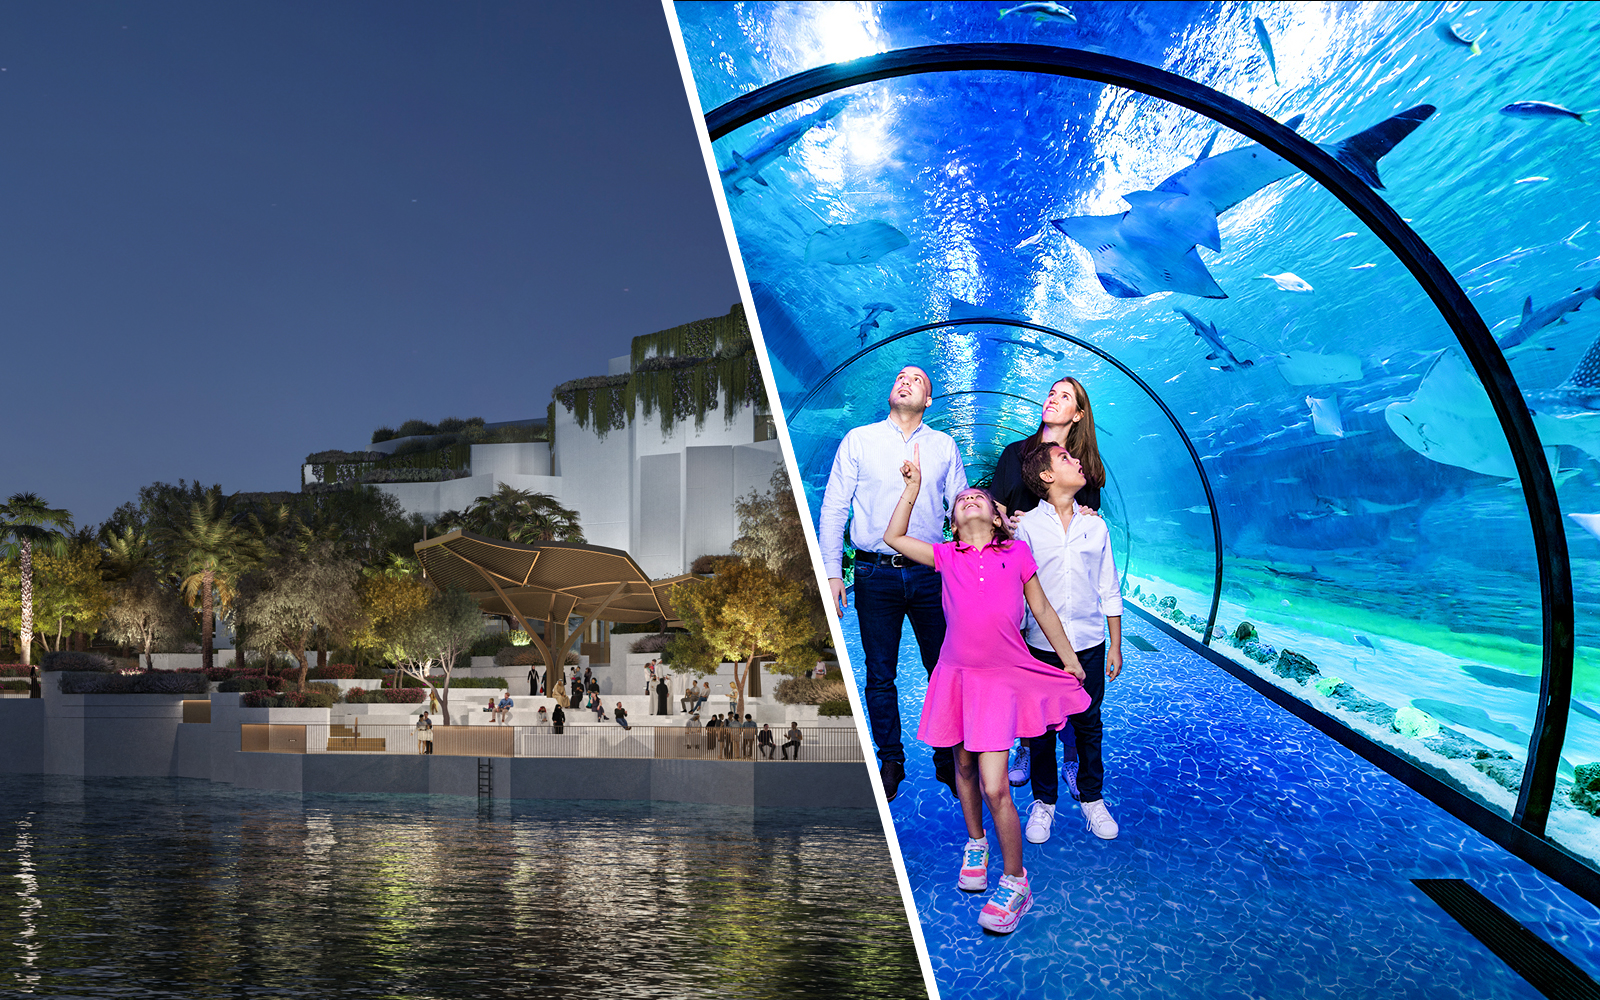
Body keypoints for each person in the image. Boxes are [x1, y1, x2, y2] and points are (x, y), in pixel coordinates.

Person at [885, 447, 1090, 935]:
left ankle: (1016, 881)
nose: (971, 500)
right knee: (961, 765)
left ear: (999, 518)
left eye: (981, 497)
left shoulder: (1017, 553)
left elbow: (1041, 609)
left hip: (1001, 679)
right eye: (962, 501)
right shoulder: (944, 556)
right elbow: (891, 537)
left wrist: (1069, 660)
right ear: (953, 523)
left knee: (996, 783)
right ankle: (975, 841)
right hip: (956, 678)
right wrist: (913, 491)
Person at [817, 365, 967, 802]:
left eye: (918, 379)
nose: (905, 380)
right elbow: (833, 508)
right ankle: (890, 760)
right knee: (880, 675)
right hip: (872, 573)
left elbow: (961, 511)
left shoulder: (943, 445)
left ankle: (948, 757)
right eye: (900, 376)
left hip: (929, 573)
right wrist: (831, 572)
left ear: (929, 400)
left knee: (942, 670)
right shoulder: (859, 440)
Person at [987, 375, 1110, 790]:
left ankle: (1072, 758)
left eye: (1064, 397)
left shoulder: (1081, 469)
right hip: (1021, 581)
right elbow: (995, 510)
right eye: (1051, 392)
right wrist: (1011, 523)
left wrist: (1091, 517)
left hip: (1066, 589)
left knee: (1074, 676)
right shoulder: (1015, 454)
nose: (1052, 399)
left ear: (1078, 414)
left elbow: (1087, 524)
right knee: (1031, 671)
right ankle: (1030, 745)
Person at [1014, 443, 1124, 843]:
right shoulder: (1025, 528)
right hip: (1040, 645)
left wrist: (1115, 644)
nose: (1077, 462)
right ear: (1047, 476)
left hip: (1091, 642)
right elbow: (1018, 592)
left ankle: (1093, 799)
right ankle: (1044, 803)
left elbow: (1108, 587)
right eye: (1065, 459)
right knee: (1040, 728)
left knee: (1089, 723)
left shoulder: (1096, 526)